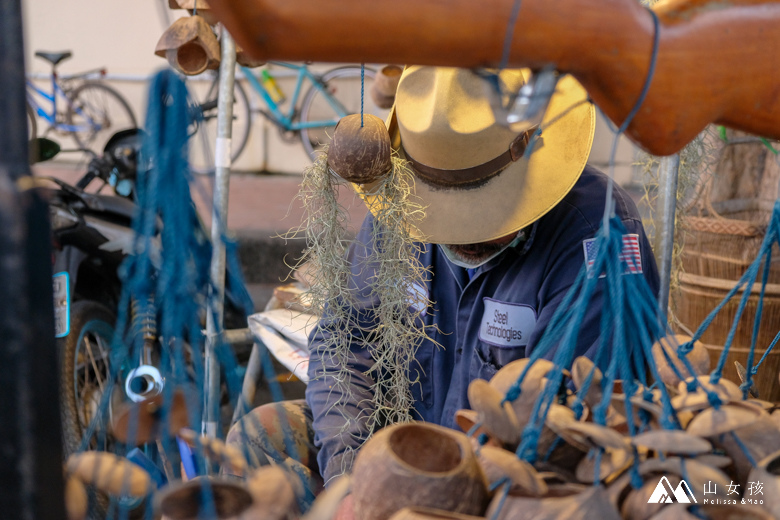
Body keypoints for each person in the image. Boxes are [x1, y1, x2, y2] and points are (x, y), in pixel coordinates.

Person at [227, 66, 660, 508]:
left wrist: (435, 492)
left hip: (509, 471)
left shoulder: (597, 232)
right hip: (397, 445)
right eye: (440, 213)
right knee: (263, 435)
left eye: (480, 215)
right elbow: (346, 343)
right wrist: (353, 478)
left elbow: (563, 424)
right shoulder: (400, 204)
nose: (461, 236)